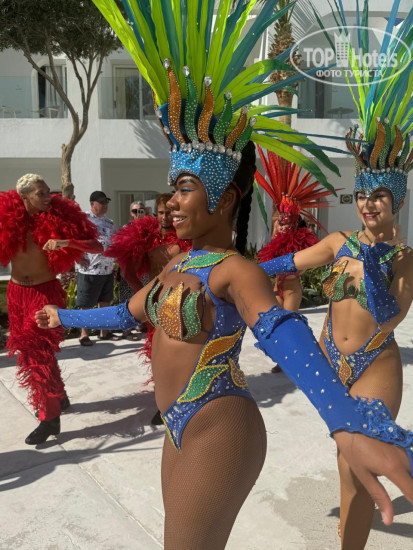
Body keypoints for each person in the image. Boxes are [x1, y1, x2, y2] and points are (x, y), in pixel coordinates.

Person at [34, 2, 413, 543]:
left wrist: (343, 419)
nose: (170, 203)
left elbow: (283, 331)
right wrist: (63, 314)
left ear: (226, 198)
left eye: (184, 189)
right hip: (177, 425)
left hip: (221, 423)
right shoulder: (182, 263)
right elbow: (124, 312)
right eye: (172, 190)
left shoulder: (235, 270)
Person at [259, 1, 413, 546]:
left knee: (354, 470)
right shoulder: (337, 242)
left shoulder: (404, 257)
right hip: (329, 360)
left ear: (396, 202)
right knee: (345, 462)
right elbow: (286, 264)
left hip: (374, 363)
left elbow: (391, 314)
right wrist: (243, 270)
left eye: (379, 197)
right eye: (363, 195)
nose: (368, 204)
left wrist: (374, 264)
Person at [0, 173, 102, 445]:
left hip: (45, 293)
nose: (49, 197)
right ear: (24, 197)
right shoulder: (7, 218)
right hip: (16, 293)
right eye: (41, 193)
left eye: (48, 191)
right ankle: (59, 396)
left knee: (36, 354)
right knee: (37, 351)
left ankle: (49, 417)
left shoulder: (61, 216)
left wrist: (67, 242)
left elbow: (98, 246)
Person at [105, 193, 191, 424]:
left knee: (182, 354)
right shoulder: (147, 239)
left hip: (183, 302)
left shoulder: (188, 236)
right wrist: (143, 295)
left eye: (170, 213)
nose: (165, 217)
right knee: (158, 355)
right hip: (156, 306)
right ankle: (165, 403)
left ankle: (182, 399)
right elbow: (128, 272)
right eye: (161, 212)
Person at [255, 148, 333, 372]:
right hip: (275, 287)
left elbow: (303, 261)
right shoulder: (275, 240)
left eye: (287, 222)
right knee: (275, 327)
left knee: (289, 326)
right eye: (280, 222)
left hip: (291, 288)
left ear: (295, 222)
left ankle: (298, 359)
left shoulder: (300, 242)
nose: (282, 225)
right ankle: (284, 359)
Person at [76, 190, 119, 346]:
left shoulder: (110, 222)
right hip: (90, 269)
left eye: (106, 202)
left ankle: (104, 332)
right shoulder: (83, 220)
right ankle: (84, 334)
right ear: (92, 203)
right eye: (102, 202)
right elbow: (73, 239)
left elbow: (115, 242)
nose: (105, 205)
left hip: (107, 268)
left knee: (104, 302)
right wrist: (77, 256)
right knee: (86, 304)